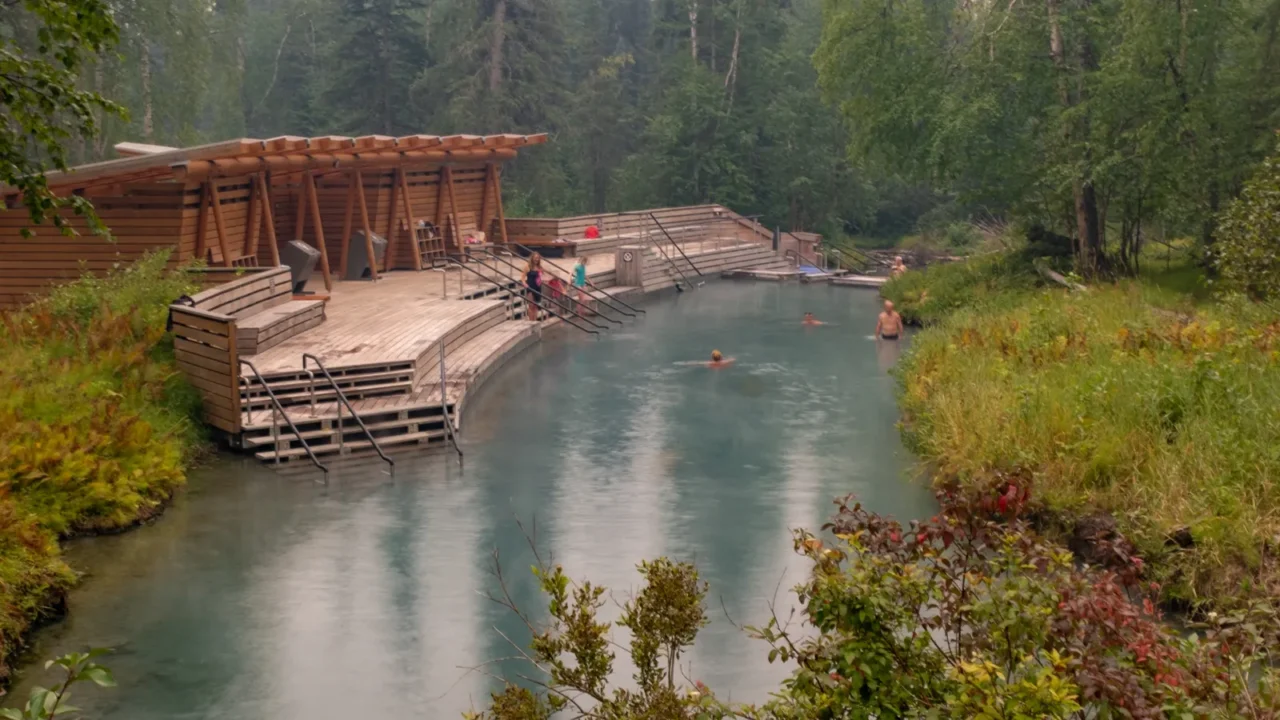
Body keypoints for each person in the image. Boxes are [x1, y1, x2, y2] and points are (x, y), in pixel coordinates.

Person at [524, 252, 544, 322]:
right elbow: (522, 277)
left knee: (536, 305)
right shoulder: (528, 266)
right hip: (530, 287)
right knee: (531, 305)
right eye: (535, 258)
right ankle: (531, 321)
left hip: (538, 287)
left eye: (538, 258)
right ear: (532, 258)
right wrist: (524, 283)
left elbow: (542, 277)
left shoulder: (540, 267)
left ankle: (534, 321)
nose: (536, 259)